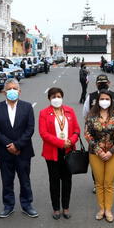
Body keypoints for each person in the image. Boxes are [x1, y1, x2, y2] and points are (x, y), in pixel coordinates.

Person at [0, 79, 37, 219]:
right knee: (7, 180)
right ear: (4, 92)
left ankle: (27, 204)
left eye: (15, 88)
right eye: (9, 88)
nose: (12, 91)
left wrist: (17, 145)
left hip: (23, 151)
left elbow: (30, 129)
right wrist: (8, 144)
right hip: (5, 151)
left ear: (19, 91)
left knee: (25, 179)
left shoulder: (27, 107)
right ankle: (8, 205)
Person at [38, 87, 81, 220]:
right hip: (52, 152)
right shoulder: (44, 113)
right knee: (54, 180)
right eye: (53, 97)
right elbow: (43, 133)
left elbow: (76, 129)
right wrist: (61, 143)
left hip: (68, 151)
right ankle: (56, 208)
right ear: (49, 99)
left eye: (58, 96)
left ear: (62, 97)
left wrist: (71, 140)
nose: (56, 99)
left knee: (67, 180)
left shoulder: (69, 111)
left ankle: (66, 207)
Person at [85, 90, 114, 223]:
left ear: (111, 101)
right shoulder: (91, 115)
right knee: (99, 183)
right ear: (98, 100)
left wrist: (111, 151)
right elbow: (87, 134)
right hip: (96, 154)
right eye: (102, 98)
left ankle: (108, 209)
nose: (104, 101)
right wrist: (99, 150)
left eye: (107, 99)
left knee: (109, 183)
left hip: (113, 153)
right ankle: (101, 209)